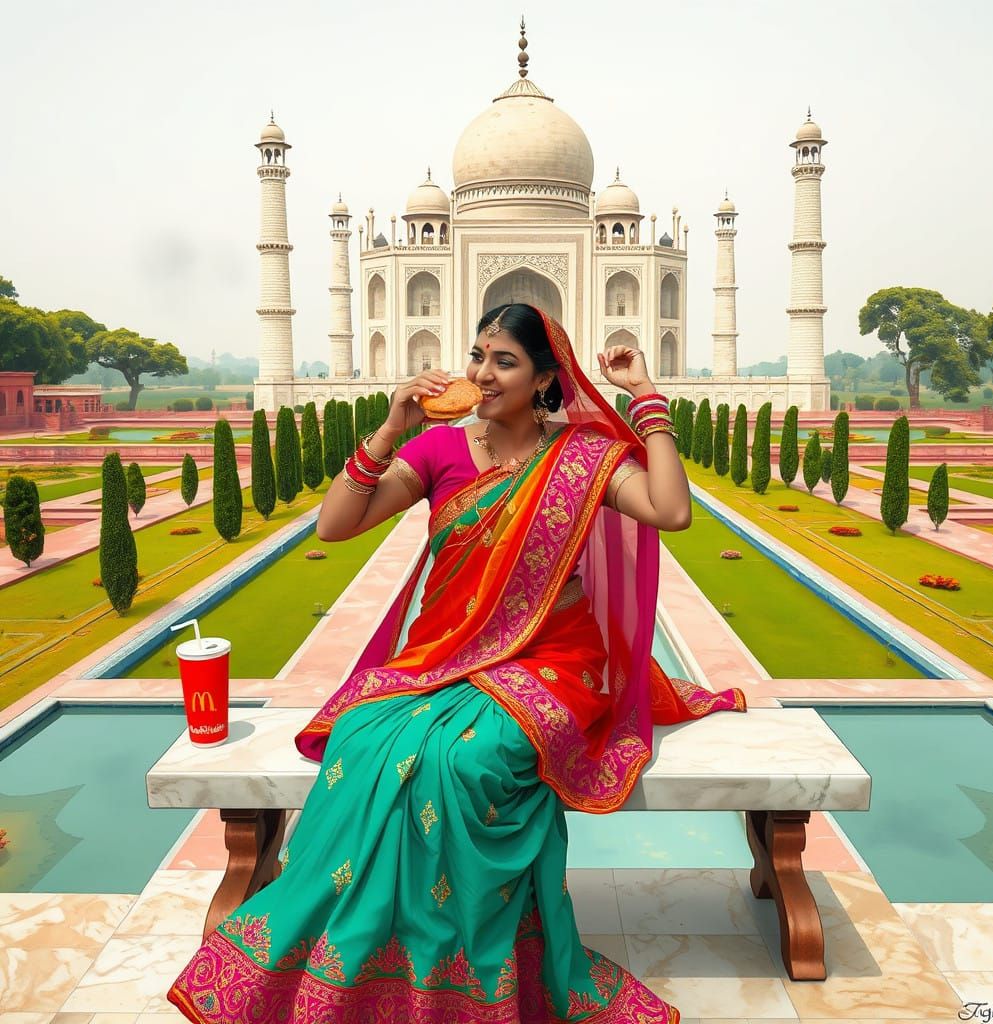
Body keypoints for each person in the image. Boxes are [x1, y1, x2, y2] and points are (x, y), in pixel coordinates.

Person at [167, 303, 747, 1023]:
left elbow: (671, 510)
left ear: (543, 378)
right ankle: (361, 961)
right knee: (364, 739)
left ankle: (474, 967)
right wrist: (389, 429)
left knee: (467, 764)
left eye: (504, 360)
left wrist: (646, 398)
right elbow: (336, 525)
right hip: (447, 655)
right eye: (478, 355)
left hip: (554, 658)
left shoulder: (581, 455)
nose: (481, 373)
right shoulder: (440, 448)